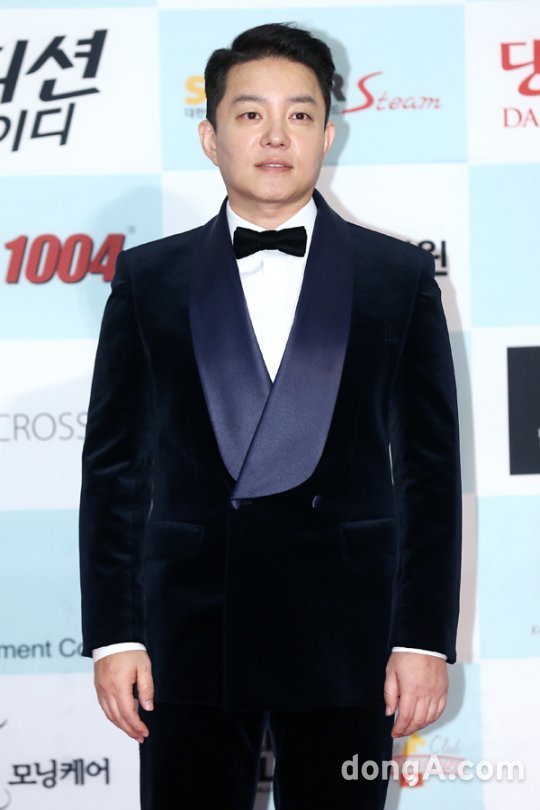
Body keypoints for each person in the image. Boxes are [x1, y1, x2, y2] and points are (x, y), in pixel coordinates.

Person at [79, 22, 462, 810]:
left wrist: (422, 637)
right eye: (251, 114)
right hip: (189, 631)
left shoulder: (396, 277)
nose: (276, 135)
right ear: (211, 137)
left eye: (300, 113)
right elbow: (115, 470)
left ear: (328, 134)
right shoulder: (149, 279)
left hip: (349, 632)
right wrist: (116, 633)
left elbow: (429, 473)